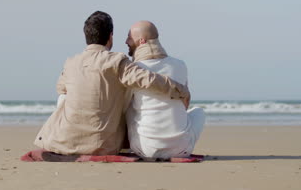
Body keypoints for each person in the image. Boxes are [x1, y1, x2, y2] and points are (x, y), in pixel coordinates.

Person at [22, 11, 190, 160]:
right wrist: (181, 90)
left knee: (64, 96)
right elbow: (149, 80)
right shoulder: (116, 61)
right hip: (103, 145)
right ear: (110, 36)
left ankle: (69, 136)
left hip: (65, 142)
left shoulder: (71, 62)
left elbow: (61, 89)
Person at [125, 21, 205, 159]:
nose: (126, 41)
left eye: (129, 37)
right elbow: (185, 103)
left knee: (127, 107)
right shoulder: (180, 65)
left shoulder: (134, 70)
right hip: (181, 150)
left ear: (142, 41)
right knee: (199, 112)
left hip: (145, 150)